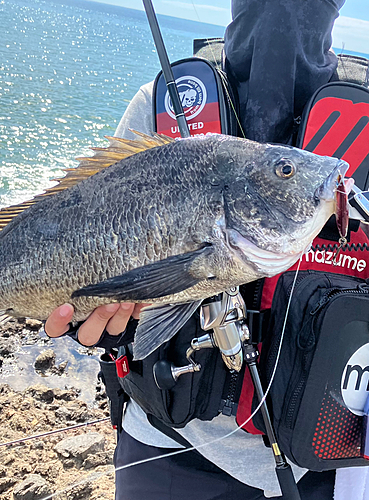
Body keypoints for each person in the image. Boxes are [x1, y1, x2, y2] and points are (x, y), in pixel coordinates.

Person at [45, 0, 349, 498]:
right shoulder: (162, 104)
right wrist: (100, 332)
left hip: (322, 457)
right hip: (166, 445)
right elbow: (80, 231)